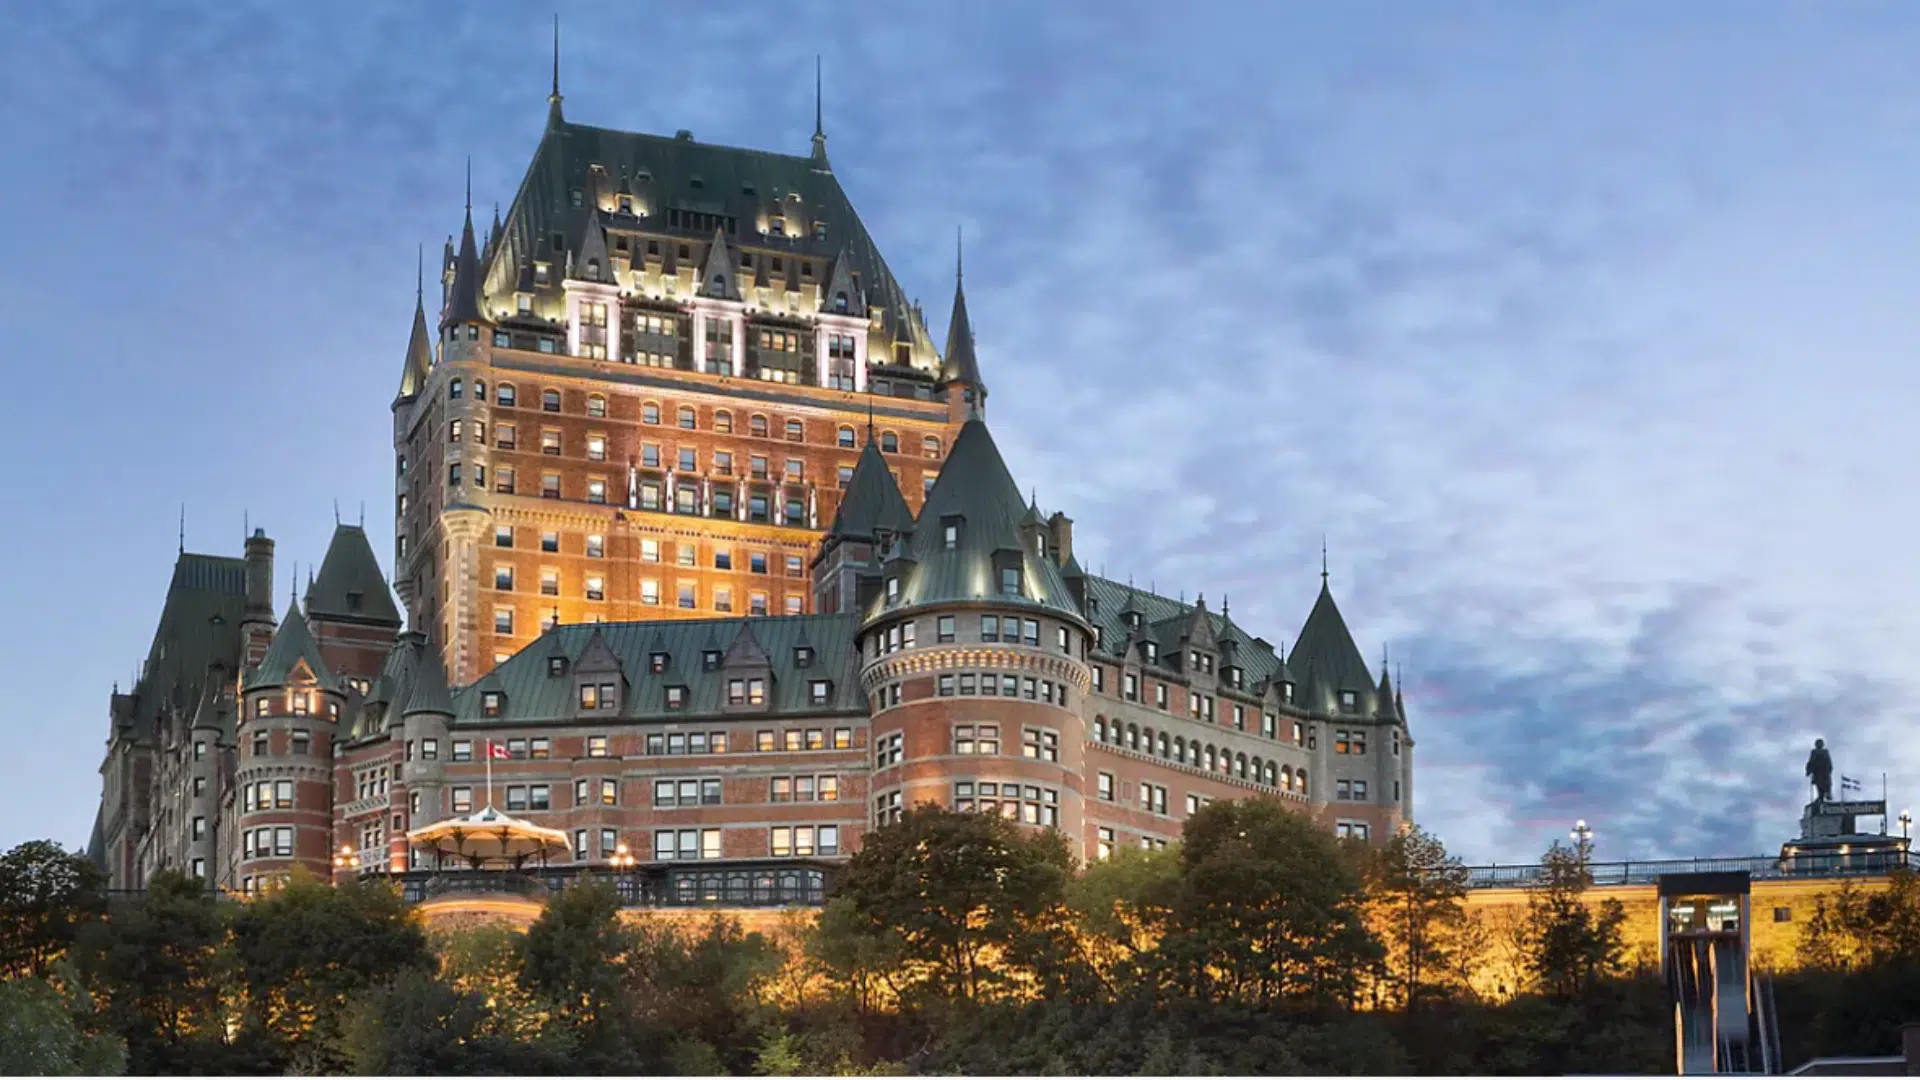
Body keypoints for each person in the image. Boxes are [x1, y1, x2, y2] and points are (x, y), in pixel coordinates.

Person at [1806, 739, 1834, 803]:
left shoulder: (1825, 751)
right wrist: (1809, 770)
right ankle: (1820, 796)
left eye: (1820, 743)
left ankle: (1828, 794)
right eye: (1818, 743)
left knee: (1827, 783)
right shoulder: (1814, 752)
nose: (1819, 744)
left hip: (1825, 771)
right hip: (1818, 771)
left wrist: (1830, 768)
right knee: (1819, 785)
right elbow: (1811, 761)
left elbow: (1829, 761)